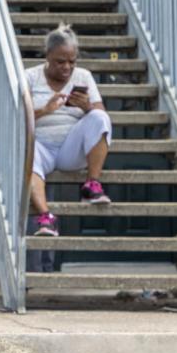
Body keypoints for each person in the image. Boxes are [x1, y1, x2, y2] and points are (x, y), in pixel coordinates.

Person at [28, 24, 112, 237]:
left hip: (71, 149)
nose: (67, 67)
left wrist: (86, 107)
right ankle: (46, 218)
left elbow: (100, 114)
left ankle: (92, 184)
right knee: (26, 151)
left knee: (99, 117)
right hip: (40, 146)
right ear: (48, 56)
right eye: (60, 61)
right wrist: (45, 110)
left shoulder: (83, 76)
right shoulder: (30, 77)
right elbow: (15, 117)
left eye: (72, 62)